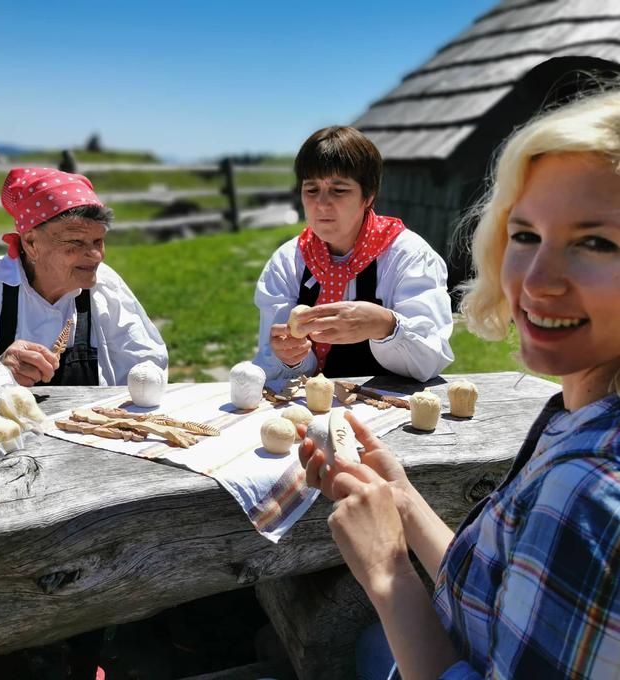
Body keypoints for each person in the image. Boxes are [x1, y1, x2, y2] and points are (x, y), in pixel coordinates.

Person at [299, 89, 620, 679]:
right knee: (368, 644)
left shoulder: (590, 493)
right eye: (524, 235)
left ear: (367, 198)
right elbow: (505, 590)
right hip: (466, 628)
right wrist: (402, 497)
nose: (537, 279)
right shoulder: (578, 414)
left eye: (596, 242)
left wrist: (388, 572)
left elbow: (427, 352)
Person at [253, 126, 453, 382]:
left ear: (368, 196)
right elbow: (271, 363)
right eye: (311, 189)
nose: (322, 204)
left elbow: (429, 361)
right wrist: (291, 358)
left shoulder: (408, 257)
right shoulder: (288, 262)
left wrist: (385, 325)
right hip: (310, 409)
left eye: (339, 190)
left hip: (390, 407)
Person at [0, 167, 167, 386]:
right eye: (76, 242)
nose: (97, 255)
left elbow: (146, 362)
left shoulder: (106, 287)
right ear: (31, 243)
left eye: (98, 241)